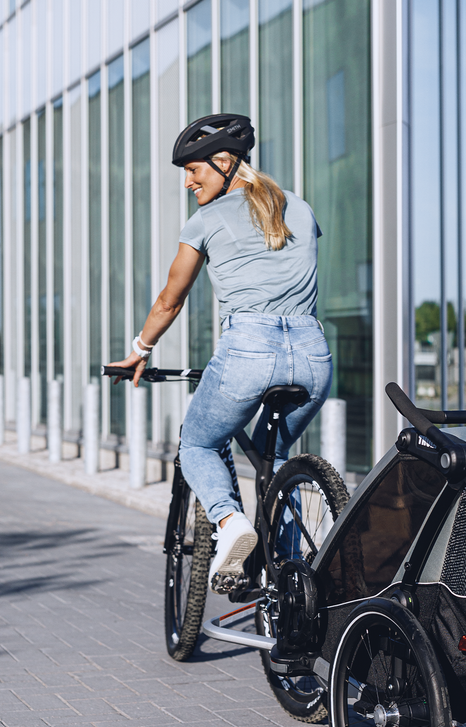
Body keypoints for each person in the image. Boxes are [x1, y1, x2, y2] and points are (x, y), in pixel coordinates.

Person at [108, 114, 332, 593]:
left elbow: (171, 297)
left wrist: (139, 349)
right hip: (314, 353)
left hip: (249, 349)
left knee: (198, 443)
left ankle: (230, 523)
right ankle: (291, 579)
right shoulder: (300, 207)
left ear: (225, 163)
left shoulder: (206, 219)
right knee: (275, 460)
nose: (188, 182)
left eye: (195, 170)